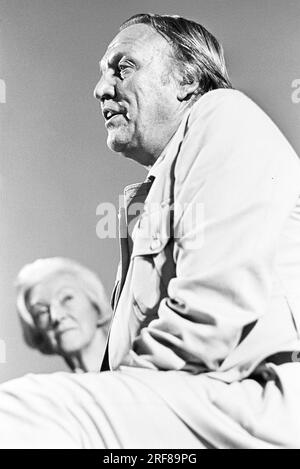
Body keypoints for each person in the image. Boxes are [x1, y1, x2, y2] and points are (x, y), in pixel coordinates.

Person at [0, 13, 300, 449]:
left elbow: (212, 311)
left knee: (18, 415)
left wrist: (115, 401)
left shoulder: (223, 114)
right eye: (103, 73)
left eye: (123, 67)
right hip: (195, 403)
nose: (101, 88)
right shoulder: (150, 196)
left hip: (251, 405)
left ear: (188, 81)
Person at [16, 257, 111, 372]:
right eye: (41, 312)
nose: (56, 316)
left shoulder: (135, 369)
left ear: (96, 306)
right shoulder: (52, 388)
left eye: (67, 298)